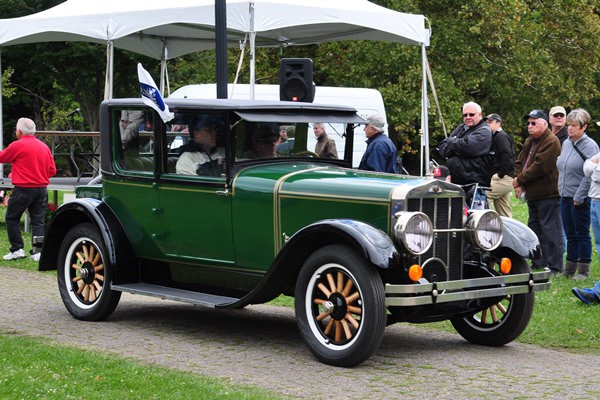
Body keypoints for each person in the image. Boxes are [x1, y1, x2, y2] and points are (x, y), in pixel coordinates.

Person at [513, 110, 563, 273]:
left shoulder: (551, 141)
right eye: (528, 123)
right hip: (533, 194)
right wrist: (519, 182)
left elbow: (540, 167)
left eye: (533, 123)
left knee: (550, 231)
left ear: (544, 124)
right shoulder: (530, 141)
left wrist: (520, 180)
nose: (529, 126)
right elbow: (520, 161)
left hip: (548, 194)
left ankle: (555, 266)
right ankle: (538, 262)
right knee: (534, 229)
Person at [0, 118, 57, 262]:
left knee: (12, 218)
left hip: (23, 188)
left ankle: (17, 249)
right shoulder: (43, 146)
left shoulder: (18, 145)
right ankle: (37, 252)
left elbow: (2, 157)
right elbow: (52, 170)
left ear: (19, 131)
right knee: (38, 220)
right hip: (41, 188)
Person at [557, 108, 598, 280]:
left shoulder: (590, 146)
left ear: (584, 127)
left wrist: (579, 196)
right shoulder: (567, 143)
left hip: (580, 197)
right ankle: (569, 268)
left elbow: (590, 174)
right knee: (569, 232)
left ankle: (583, 270)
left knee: (581, 233)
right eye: (569, 125)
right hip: (564, 195)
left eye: (574, 126)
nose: (570, 128)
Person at [436, 102, 493, 186]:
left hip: (473, 182)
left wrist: (452, 141)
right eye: (465, 115)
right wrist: (456, 144)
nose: (468, 117)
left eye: (471, 114)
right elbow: (443, 147)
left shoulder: (484, 131)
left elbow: (467, 147)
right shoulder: (461, 128)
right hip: (455, 181)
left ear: (480, 114)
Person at [485, 113, 515, 217]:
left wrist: (501, 174)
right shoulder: (495, 136)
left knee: (484, 194)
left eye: (490, 122)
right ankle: (510, 231)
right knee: (503, 210)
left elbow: (507, 155)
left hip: (505, 177)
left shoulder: (500, 136)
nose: (487, 124)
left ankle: (488, 221)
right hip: (505, 177)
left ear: (498, 123)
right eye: (487, 122)